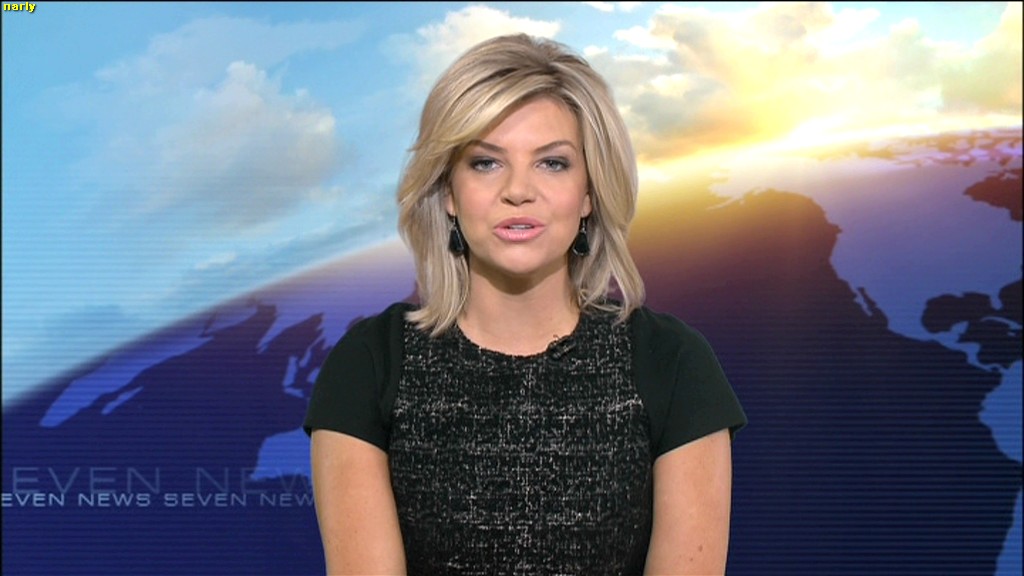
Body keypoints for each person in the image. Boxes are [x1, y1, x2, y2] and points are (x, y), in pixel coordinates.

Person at [304, 33, 747, 575]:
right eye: (486, 163)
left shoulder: (673, 363)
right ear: (448, 192)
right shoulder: (369, 364)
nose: (518, 190)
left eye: (552, 163)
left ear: (589, 193)